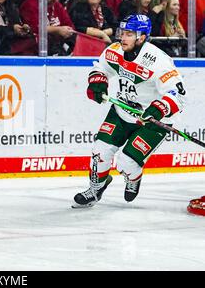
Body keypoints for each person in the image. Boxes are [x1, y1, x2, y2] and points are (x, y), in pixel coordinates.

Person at [72, 14, 187, 208]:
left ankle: (133, 177)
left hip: (152, 120)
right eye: (122, 32)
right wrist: (98, 82)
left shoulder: (158, 61)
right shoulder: (115, 51)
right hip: (122, 111)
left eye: (129, 34)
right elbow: (100, 68)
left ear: (141, 37)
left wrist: (159, 108)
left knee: (126, 162)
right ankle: (95, 188)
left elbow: (178, 94)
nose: (122, 38)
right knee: (100, 150)